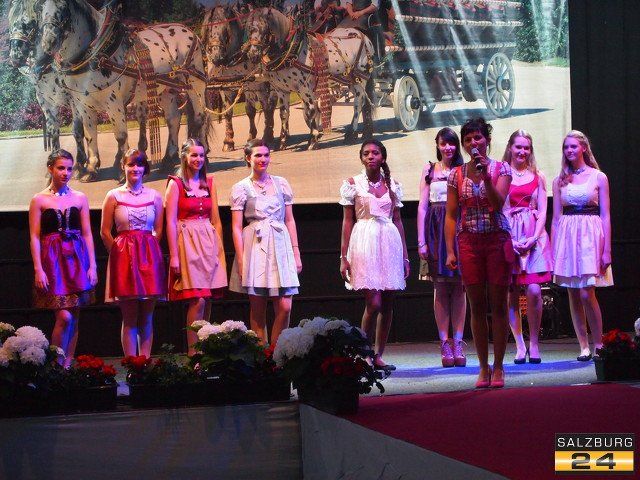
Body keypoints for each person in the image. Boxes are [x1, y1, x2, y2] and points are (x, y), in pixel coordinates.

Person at [444, 118, 513, 388]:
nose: (474, 143)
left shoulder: (501, 168)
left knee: (498, 305)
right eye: (468, 139)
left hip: (496, 239)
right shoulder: (456, 174)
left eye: (478, 137)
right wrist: (450, 251)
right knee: (476, 306)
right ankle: (483, 367)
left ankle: (499, 366)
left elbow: (498, 204)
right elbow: (451, 215)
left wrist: (486, 177)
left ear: (487, 140)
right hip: (469, 242)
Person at [340, 139, 409, 371]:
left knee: (387, 303)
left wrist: (405, 256)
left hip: (389, 242)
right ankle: (364, 352)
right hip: (364, 242)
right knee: (374, 303)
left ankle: (378, 354)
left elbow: (398, 221)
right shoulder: (353, 184)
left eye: (375, 153)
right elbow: (347, 221)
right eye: (366, 153)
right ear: (361, 158)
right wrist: (344, 257)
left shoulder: (393, 185)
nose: (370, 156)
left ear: (382, 157)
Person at [229, 139, 302, 346]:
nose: (263, 159)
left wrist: (296, 253)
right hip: (255, 245)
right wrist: (241, 260)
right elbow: (236, 227)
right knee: (258, 309)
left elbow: (290, 220)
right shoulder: (241, 188)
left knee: (285, 306)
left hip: (280, 243)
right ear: (248, 158)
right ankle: (262, 356)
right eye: (258, 155)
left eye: (266, 155)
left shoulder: (281, 183)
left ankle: (276, 352)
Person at [29, 149, 97, 367]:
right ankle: (54, 366)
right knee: (64, 317)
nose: (65, 173)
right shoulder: (39, 199)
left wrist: (92, 266)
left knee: (74, 316)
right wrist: (38, 269)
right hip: (53, 262)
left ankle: (66, 366)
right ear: (50, 168)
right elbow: (35, 237)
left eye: (69, 168)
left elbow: (87, 234)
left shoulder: (80, 197)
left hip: (76, 260)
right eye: (61, 168)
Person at [551, 130, 612, 361]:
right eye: (566, 147)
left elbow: (605, 215)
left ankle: (599, 344)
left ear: (583, 148)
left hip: (590, 236)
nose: (569, 150)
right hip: (567, 236)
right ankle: (583, 346)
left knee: (587, 292)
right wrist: (554, 250)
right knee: (573, 293)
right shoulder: (559, 180)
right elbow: (556, 218)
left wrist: (606, 250)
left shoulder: (598, 177)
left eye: (573, 146)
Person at [101, 149, 166, 357]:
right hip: (124, 260)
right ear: (124, 166)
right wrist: (118, 254)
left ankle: (144, 363)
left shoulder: (155, 196)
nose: (135, 168)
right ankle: (131, 364)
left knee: (147, 317)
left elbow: (158, 230)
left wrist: (147, 252)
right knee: (129, 318)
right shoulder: (113, 195)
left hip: (149, 259)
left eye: (139, 164)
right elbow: (105, 232)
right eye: (131, 164)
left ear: (145, 168)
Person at [165, 138, 227, 355]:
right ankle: (194, 354)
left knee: (207, 299)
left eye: (201, 155)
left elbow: (216, 219)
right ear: (184, 156)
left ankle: (204, 348)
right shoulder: (176, 184)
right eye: (193, 155)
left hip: (208, 242)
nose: (198, 159)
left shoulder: (209, 183)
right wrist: (174, 255)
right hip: (187, 243)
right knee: (198, 299)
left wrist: (218, 249)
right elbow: (170, 222)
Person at [417, 127, 467, 367]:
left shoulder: (463, 170)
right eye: (443, 143)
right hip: (436, 229)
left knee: (459, 288)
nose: (448, 147)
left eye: (451, 143)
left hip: (459, 228)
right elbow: (422, 207)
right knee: (440, 287)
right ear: (437, 145)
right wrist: (421, 241)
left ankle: (458, 342)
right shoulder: (429, 170)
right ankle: (444, 342)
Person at [502, 130, 553, 364]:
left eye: (526, 147)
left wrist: (533, 238)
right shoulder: (502, 174)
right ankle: (519, 345)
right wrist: (510, 239)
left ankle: (534, 343)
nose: (522, 151)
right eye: (518, 147)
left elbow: (543, 210)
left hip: (534, 237)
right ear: (510, 148)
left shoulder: (538, 176)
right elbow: (501, 210)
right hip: (510, 235)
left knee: (533, 290)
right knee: (511, 292)